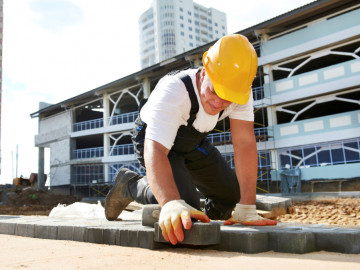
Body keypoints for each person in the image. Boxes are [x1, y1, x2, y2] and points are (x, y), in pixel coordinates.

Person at [105, 34, 277, 245]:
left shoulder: (238, 90)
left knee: (230, 195)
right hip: (153, 140)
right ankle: (130, 186)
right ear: (205, 72)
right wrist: (170, 202)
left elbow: (244, 143)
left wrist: (247, 207)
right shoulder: (175, 91)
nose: (218, 102)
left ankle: (202, 219)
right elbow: (156, 149)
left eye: (227, 98)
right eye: (214, 91)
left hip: (193, 142)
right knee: (182, 206)